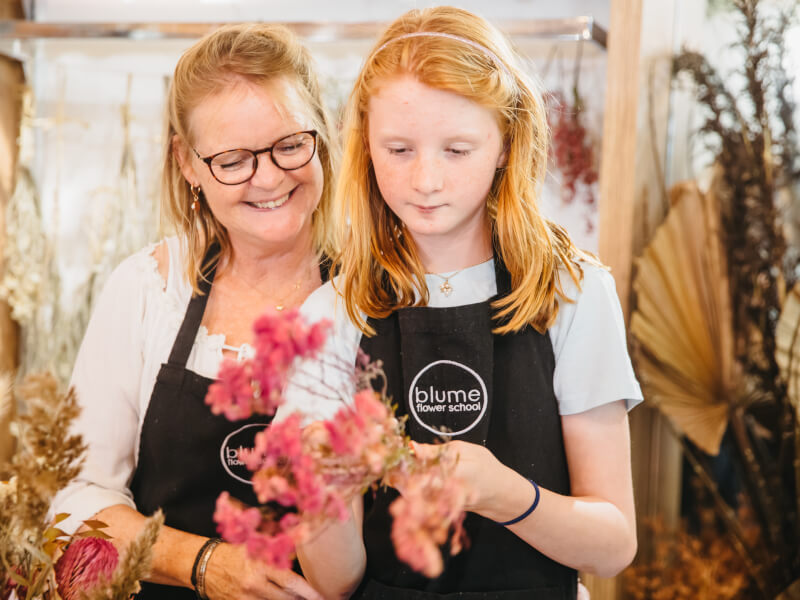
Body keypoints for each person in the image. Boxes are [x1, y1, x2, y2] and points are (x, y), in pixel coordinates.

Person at [281, 6, 642, 599]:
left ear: (506, 144)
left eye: (457, 150)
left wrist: (503, 495)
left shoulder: (574, 294)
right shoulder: (332, 314)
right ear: (365, 148)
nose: (426, 180)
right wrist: (329, 494)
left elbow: (613, 546)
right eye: (399, 150)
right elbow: (334, 582)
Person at [50, 23, 338, 600]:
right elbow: (73, 504)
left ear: (323, 135)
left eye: (289, 145)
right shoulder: (147, 290)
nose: (270, 177)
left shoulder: (377, 291)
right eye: (233, 160)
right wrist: (205, 564)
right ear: (188, 164)